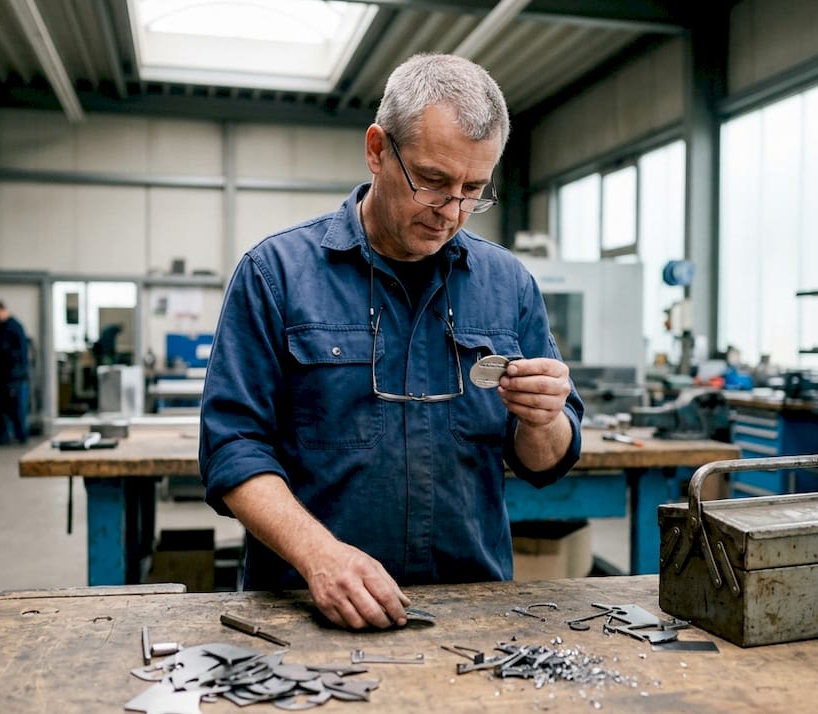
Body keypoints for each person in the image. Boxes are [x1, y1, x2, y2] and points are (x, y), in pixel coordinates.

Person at [199, 53, 584, 630]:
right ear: (377, 149)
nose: (451, 211)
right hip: (305, 611)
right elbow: (232, 447)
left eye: (473, 189)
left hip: (471, 613)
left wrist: (544, 419)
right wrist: (319, 556)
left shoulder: (508, 285)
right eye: (432, 181)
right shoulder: (275, 275)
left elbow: (544, 463)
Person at [0, 300, 29, 445]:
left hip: (11, 375)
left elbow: (11, 351)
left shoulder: (13, 327)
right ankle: (3, 436)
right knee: (2, 407)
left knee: (14, 406)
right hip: (5, 374)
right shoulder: (3, 326)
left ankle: (20, 435)